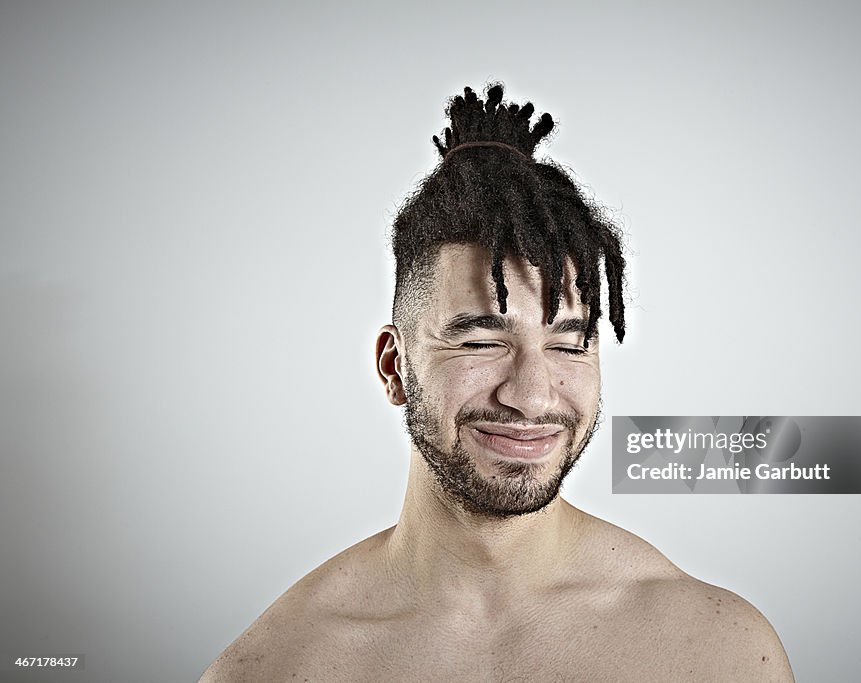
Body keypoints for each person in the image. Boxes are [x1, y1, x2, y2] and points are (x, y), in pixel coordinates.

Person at [200, 84, 794, 682]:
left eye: (567, 344)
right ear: (394, 366)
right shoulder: (276, 668)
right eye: (482, 342)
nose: (533, 396)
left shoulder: (721, 651)